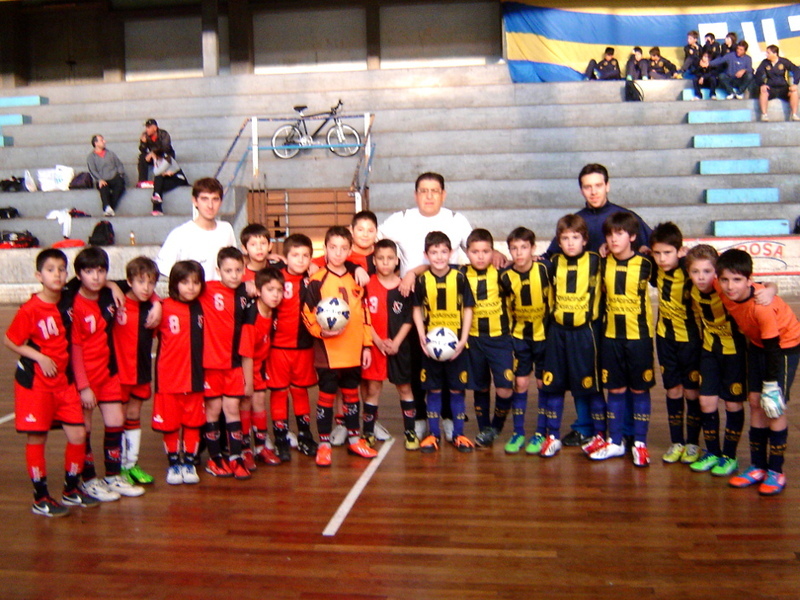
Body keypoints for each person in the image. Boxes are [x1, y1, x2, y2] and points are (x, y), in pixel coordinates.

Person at [543, 163, 652, 446]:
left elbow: (651, 248)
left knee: (621, 377)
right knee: (586, 373)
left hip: (616, 311)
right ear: (581, 189)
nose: (593, 191)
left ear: (608, 185)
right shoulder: (574, 221)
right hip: (583, 314)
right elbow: (549, 258)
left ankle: (626, 430)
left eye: (598, 185)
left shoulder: (626, 218)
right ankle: (585, 426)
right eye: (587, 186)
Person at [4, 249, 100, 516]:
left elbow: (99, 282)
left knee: (78, 434)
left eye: (61, 269)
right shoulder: (31, 308)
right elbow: (10, 340)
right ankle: (40, 496)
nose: (57, 274)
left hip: (63, 382)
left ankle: (71, 490)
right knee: (38, 437)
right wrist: (39, 357)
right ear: (38, 275)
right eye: (50, 269)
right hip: (35, 383)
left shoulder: (68, 302)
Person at [715, 249, 800, 496]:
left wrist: (772, 385)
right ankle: (757, 466)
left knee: (773, 406)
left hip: (783, 348)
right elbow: (704, 269)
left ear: (749, 280)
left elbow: (774, 348)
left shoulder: (762, 306)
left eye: (737, 280)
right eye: (725, 280)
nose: (730, 286)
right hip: (757, 346)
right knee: (754, 401)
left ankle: (776, 471)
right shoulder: (722, 287)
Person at [67, 246, 146, 500]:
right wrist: (83, 386)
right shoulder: (73, 302)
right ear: (79, 275)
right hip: (85, 376)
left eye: (101, 271)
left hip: (109, 372)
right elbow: (75, 347)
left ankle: (113, 476)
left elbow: (143, 285)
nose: (96, 277)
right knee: (85, 428)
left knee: (115, 422)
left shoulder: (109, 294)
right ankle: (88, 480)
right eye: (89, 272)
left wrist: (113, 285)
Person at [301, 226, 378, 466]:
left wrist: (367, 345)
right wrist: (319, 331)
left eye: (344, 248)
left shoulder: (356, 278)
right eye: (333, 247)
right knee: (326, 395)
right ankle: (324, 445)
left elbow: (365, 313)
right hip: (328, 351)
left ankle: (355, 439)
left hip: (353, 348)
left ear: (350, 250)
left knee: (352, 395)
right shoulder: (317, 280)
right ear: (325, 249)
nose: (338, 253)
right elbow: (306, 313)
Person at [589, 212, 655, 466]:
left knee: (640, 389)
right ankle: (615, 442)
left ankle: (639, 443)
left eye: (619, 233)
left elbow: (674, 269)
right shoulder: (602, 262)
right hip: (611, 337)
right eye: (610, 234)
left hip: (639, 338)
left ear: (633, 237)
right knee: (615, 389)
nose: (614, 239)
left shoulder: (647, 263)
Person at [535, 215, 604, 458]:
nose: (570, 243)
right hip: (558, 332)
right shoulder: (552, 262)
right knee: (553, 385)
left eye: (575, 237)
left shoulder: (597, 260)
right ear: (558, 241)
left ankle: (599, 435)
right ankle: (551, 437)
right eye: (565, 238)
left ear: (585, 240)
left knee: (589, 386)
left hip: (585, 333)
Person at [684, 245, 747, 477]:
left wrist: (771, 288)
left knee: (732, 404)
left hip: (735, 354)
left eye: (707, 271)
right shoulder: (691, 290)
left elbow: (759, 288)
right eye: (696, 272)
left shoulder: (728, 289)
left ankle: (729, 456)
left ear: (717, 271)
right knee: (706, 403)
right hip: (709, 352)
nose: (701, 277)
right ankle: (712, 452)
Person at [412, 231, 475, 453]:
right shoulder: (422, 280)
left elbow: (468, 308)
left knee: (457, 390)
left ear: (451, 253)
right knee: (434, 390)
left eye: (443, 252)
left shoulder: (459, 278)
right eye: (434, 252)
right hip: (431, 346)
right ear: (426, 255)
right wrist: (421, 335)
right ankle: (433, 434)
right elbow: (417, 309)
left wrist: (464, 338)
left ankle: (458, 434)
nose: (439, 257)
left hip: (456, 345)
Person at [649, 223, 702, 464]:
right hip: (664, 338)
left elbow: (715, 265)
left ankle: (692, 443)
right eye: (657, 253)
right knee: (673, 390)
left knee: (692, 392)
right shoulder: (653, 268)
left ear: (679, 251)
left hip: (690, 340)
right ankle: (676, 442)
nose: (661, 259)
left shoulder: (690, 268)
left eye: (667, 253)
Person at [199, 247, 252, 480]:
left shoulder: (246, 291)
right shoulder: (205, 289)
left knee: (232, 410)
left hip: (233, 364)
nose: (233, 275)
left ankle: (236, 457)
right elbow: (177, 289)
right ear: (218, 270)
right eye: (228, 270)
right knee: (213, 410)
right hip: (210, 365)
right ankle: (214, 458)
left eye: (238, 270)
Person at [460, 228, 515, 449]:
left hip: (500, 339)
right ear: (468, 253)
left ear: (493, 252)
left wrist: (507, 258)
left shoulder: (502, 273)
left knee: (504, 388)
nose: (480, 256)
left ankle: (496, 426)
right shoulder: (461, 274)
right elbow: (435, 265)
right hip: (473, 340)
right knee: (480, 387)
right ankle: (484, 430)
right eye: (475, 251)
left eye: (485, 251)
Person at [152, 260, 205, 485]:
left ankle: (189, 462)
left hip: (195, 378)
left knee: (193, 423)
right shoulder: (163, 307)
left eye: (195, 282)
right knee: (170, 424)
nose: (191, 287)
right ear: (174, 284)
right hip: (169, 379)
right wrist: (155, 301)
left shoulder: (203, 306)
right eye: (184, 282)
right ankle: (173, 463)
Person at [362, 239, 419, 450]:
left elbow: (408, 319)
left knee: (405, 388)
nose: (385, 262)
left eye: (390, 258)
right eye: (380, 258)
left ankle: (410, 431)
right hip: (375, 346)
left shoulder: (405, 286)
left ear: (397, 261)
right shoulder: (367, 284)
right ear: (374, 261)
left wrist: (396, 342)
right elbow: (363, 317)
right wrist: (376, 340)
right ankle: (368, 433)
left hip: (399, 347)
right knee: (373, 389)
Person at [499, 227, 551, 454]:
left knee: (542, 383)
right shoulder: (506, 277)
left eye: (524, 247)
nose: (519, 252)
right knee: (520, 383)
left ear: (533, 248)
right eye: (514, 248)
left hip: (544, 337)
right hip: (520, 337)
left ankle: (541, 433)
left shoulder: (546, 269)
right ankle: (518, 433)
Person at [267, 233, 318, 462]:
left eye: (305, 255)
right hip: (277, 347)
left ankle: (305, 435)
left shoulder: (314, 278)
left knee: (300, 390)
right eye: (295, 255)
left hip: (304, 346)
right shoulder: (275, 276)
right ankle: (280, 438)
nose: (300, 260)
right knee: (278, 391)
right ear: (285, 258)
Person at [113, 257, 159, 486]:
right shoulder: (116, 301)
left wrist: (157, 302)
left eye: (151, 283)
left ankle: (131, 465)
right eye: (141, 282)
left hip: (141, 371)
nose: (146, 288)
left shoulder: (152, 308)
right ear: (129, 281)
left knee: (133, 415)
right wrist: (113, 285)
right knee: (117, 419)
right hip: (119, 373)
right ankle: (117, 467)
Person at [238, 267, 284, 468]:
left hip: (260, 366)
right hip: (245, 367)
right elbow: (246, 354)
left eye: (279, 290)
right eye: (270, 289)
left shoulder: (272, 312)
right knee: (246, 403)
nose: (275, 294)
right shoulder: (251, 315)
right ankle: (245, 450)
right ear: (258, 290)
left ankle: (261, 446)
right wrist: (247, 382)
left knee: (259, 403)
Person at [156, 177, 237, 282]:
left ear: (221, 202)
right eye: (204, 199)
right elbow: (164, 269)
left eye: (215, 199)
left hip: (221, 294)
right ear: (195, 201)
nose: (210, 205)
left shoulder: (226, 229)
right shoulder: (180, 234)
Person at [755, 44, 800, 121]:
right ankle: (764, 115)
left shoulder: (783, 61)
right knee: (763, 91)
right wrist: (762, 84)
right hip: (771, 87)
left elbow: (796, 70)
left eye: (768, 53)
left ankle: (794, 114)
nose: (766, 54)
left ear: (775, 53)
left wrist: (795, 83)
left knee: (794, 92)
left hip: (783, 87)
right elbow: (758, 74)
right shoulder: (765, 63)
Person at [86, 134, 125, 217]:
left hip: (114, 176)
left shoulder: (110, 153)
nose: (104, 142)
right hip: (102, 178)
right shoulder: (91, 157)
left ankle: (109, 207)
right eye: (101, 140)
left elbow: (119, 164)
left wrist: (120, 174)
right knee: (103, 188)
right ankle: (107, 207)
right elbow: (92, 170)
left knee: (120, 184)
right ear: (95, 143)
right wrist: (99, 179)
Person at [151, 151, 189, 216]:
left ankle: (157, 209)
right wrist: (165, 174)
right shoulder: (159, 160)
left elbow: (156, 172)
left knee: (157, 185)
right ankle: (157, 197)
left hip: (178, 178)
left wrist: (154, 159)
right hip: (169, 178)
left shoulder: (167, 159)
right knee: (158, 184)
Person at [138, 118, 175, 184]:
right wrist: (143, 143)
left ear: (155, 128)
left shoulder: (164, 134)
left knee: (167, 158)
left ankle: (165, 181)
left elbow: (166, 148)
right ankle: (142, 181)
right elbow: (142, 150)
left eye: (149, 127)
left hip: (165, 155)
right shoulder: (145, 135)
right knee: (142, 157)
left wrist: (153, 153)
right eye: (146, 127)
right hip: (153, 157)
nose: (147, 130)